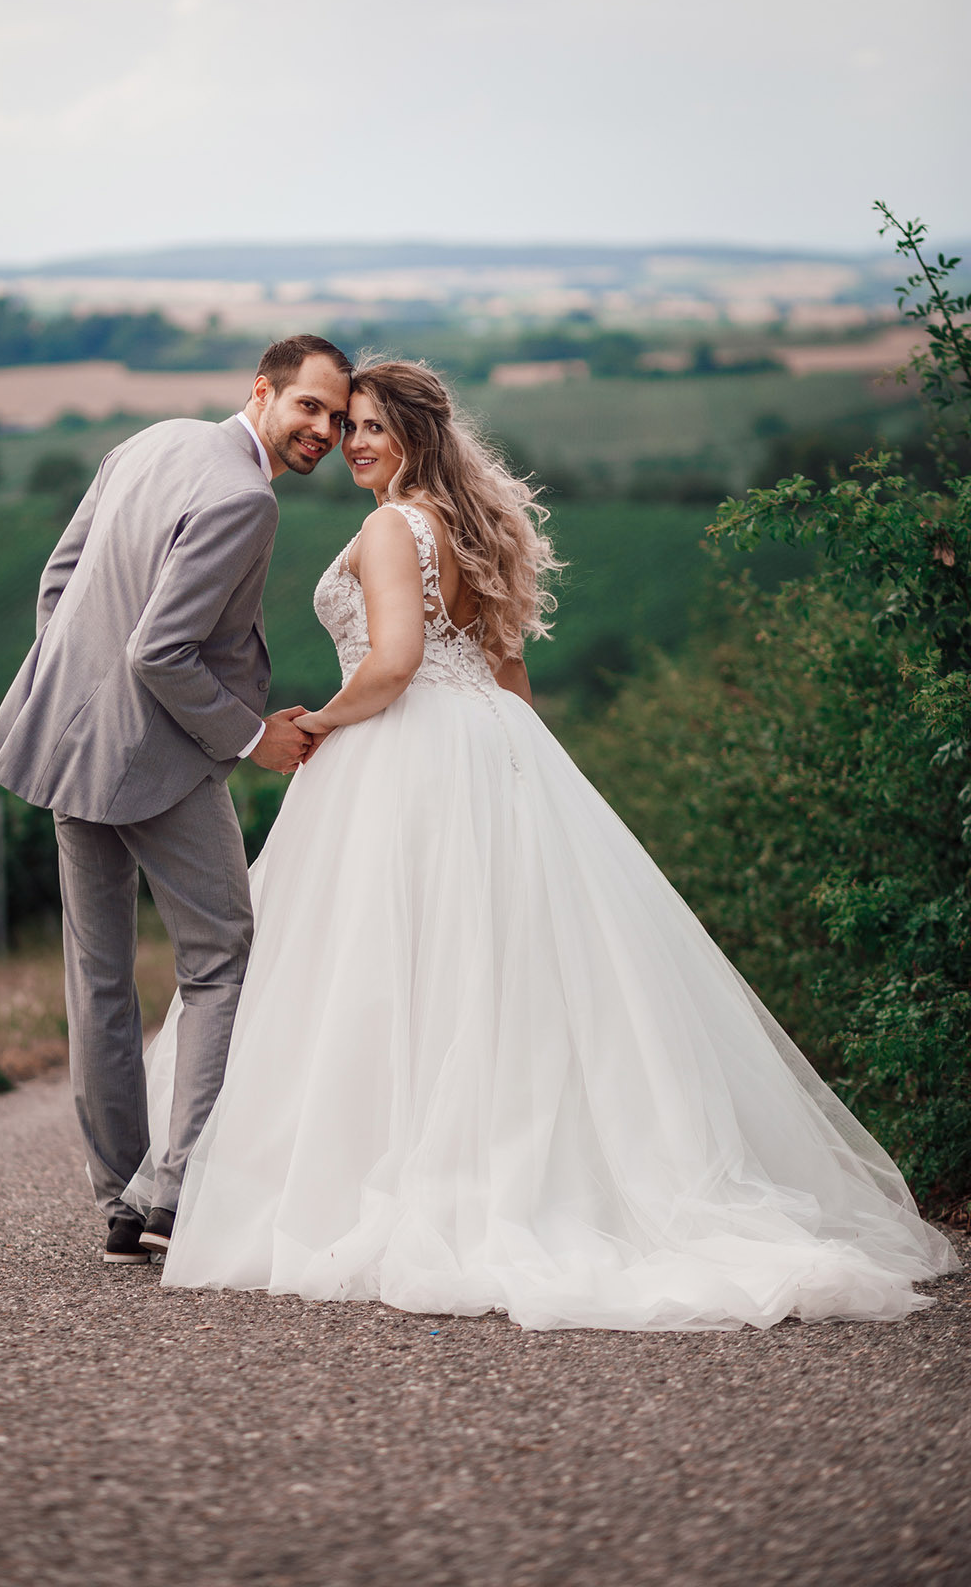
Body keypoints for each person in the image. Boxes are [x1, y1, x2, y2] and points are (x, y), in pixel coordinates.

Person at [126, 359, 958, 1329]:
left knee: (390, 962)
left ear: (414, 435)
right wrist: (522, 781)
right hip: (486, 742)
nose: (352, 442)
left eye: (371, 427)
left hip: (405, 752)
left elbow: (393, 666)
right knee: (493, 967)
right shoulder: (476, 526)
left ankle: (379, 1170)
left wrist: (315, 723)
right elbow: (506, 679)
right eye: (345, 426)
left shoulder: (393, 526)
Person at [0, 335, 352, 1263]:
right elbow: (161, 652)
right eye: (309, 407)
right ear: (262, 392)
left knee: (98, 978)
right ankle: (174, 1188)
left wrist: (76, 702)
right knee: (221, 957)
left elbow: (58, 584)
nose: (325, 430)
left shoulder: (149, 442)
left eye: (340, 419)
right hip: (158, 757)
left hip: (70, 748)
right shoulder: (246, 496)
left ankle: (119, 1200)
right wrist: (250, 734)